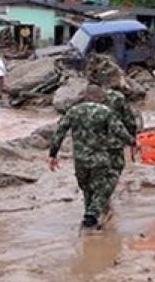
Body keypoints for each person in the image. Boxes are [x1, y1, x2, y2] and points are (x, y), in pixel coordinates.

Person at [49, 85, 135, 229]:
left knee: (87, 188)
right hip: (100, 158)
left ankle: (89, 219)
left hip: (80, 159)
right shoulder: (105, 112)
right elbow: (120, 131)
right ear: (100, 97)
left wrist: (53, 154)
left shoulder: (73, 111)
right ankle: (92, 215)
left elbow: (59, 132)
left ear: (86, 96)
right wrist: (133, 142)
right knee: (102, 187)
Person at [104, 89, 138, 177]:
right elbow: (129, 119)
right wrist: (132, 136)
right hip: (115, 137)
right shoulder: (118, 97)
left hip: (95, 140)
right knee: (117, 164)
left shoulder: (92, 96)